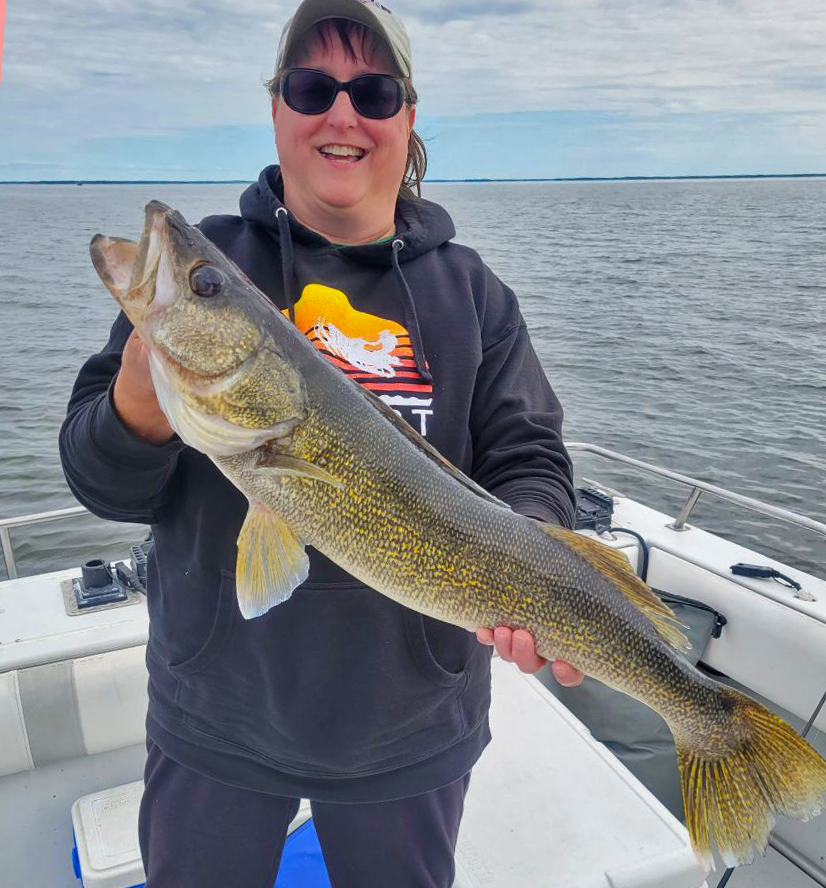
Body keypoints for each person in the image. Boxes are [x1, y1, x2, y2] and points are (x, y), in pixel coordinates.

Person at [59, 1, 583, 885]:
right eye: (312, 87)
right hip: (214, 719)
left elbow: (529, 460)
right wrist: (139, 408)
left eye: (373, 92)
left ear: (406, 119)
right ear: (277, 109)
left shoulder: (474, 295)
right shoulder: (217, 265)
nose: (342, 114)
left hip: (411, 731)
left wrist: (532, 562)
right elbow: (99, 481)